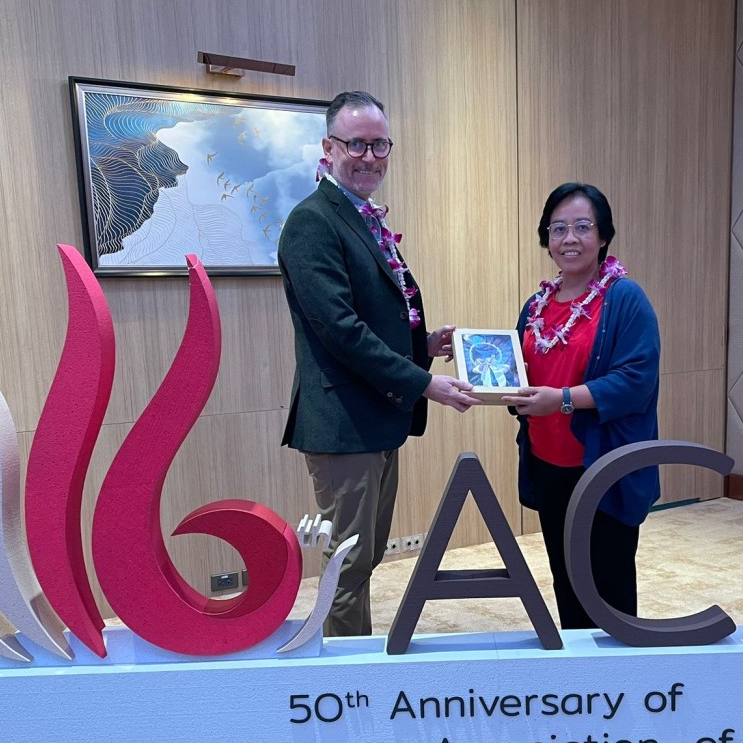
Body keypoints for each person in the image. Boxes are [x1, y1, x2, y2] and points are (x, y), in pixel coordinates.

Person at [279, 90, 478, 637]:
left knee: (364, 558)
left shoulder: (360, 217)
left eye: (379, 145)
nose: (369, 157)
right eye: (356, 144)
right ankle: (346, 679)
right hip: (344, 425)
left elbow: (374, 315)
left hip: (375, 418)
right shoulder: (312, 221)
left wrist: (422, 345)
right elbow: (340, 329)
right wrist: (425, 383)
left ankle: (355, 667)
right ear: (329, 148)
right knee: (346, 567)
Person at [504, 182, 660, 629]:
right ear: (546, 238)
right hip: (547, 463)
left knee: (608, 583)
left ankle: (615, 669)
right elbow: (519, 370)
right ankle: (575, 667)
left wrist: (564, 400)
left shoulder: (624, 298)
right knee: (566, 579)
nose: (568, 238)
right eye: (558, 229)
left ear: (603, 235)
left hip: (603, 466)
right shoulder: (536, 305)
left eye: (582, 227)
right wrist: (494, 380)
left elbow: (636, 380)